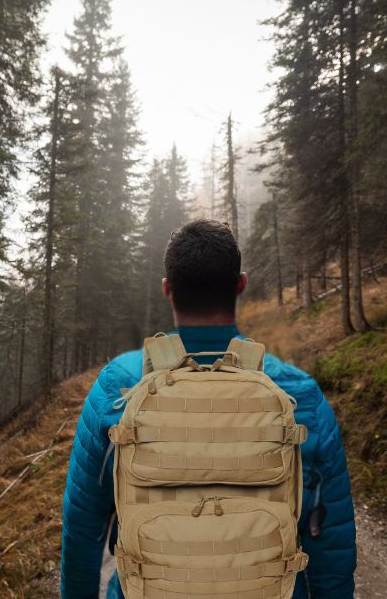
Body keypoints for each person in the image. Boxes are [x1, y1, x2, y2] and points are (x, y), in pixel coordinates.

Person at [60, 218, 357, 598]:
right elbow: (329, 539)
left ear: (168, 290)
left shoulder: (119, 385)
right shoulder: (299, 394)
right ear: (240, 286)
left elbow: (83, 527)